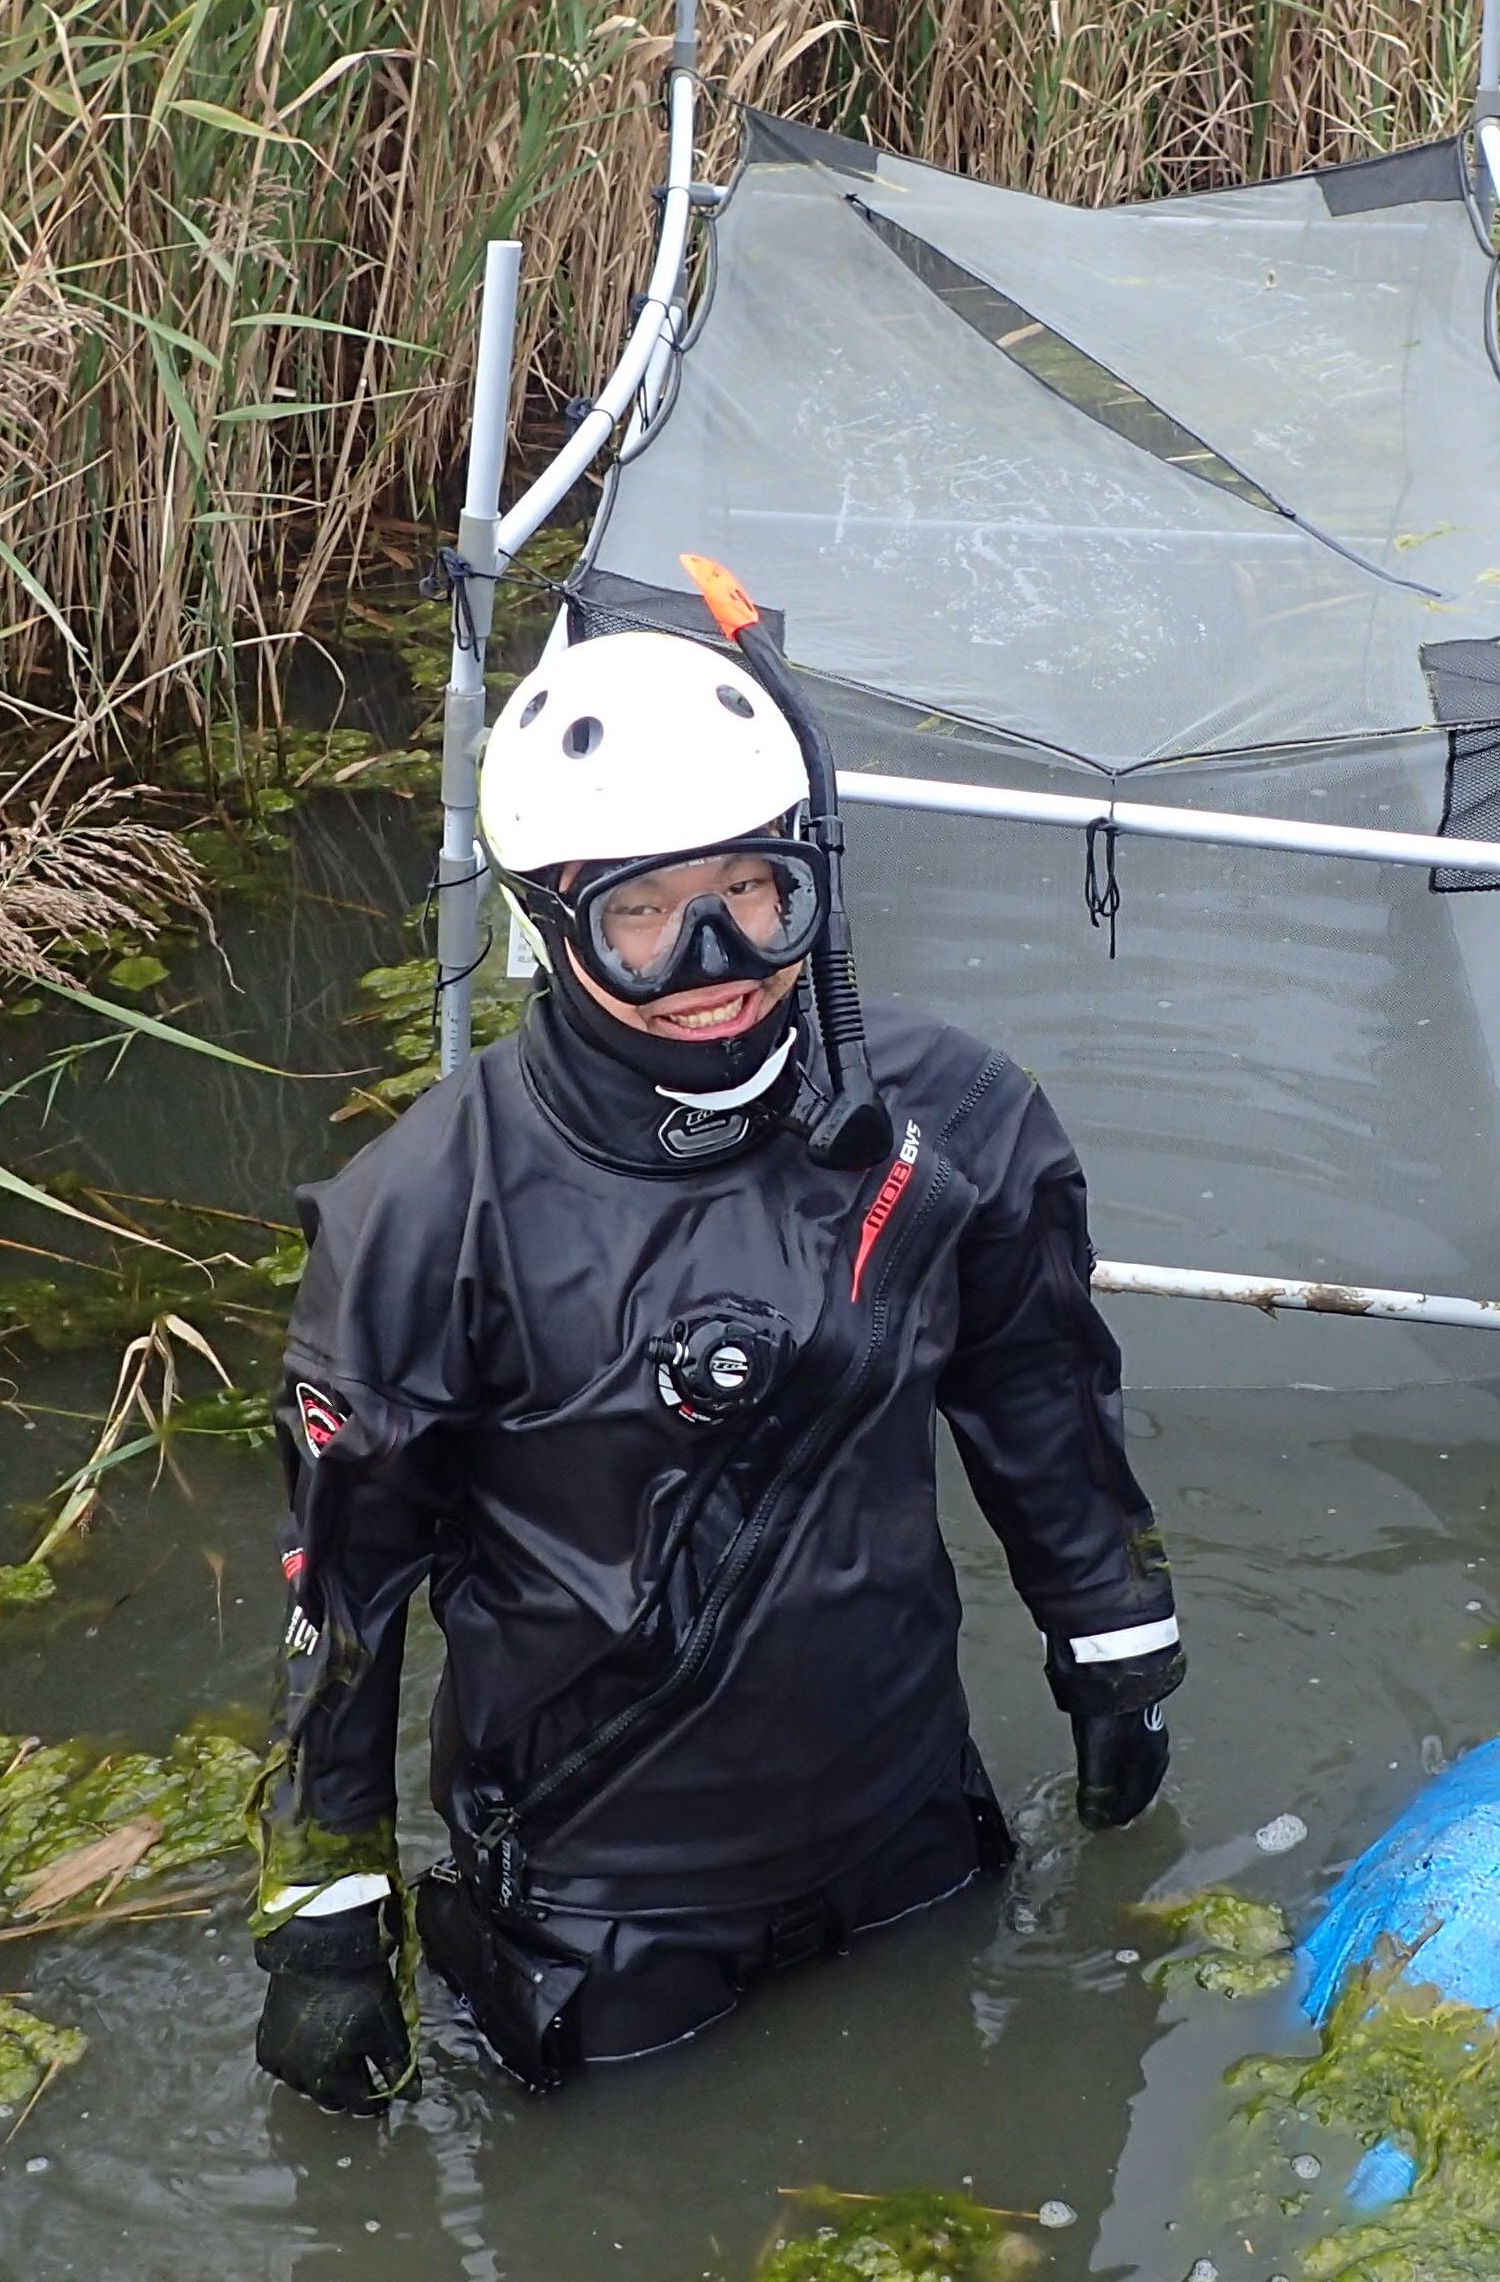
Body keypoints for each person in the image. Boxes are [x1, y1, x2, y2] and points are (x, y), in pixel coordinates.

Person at [249, 612, 1183, 2110]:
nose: (718, 963)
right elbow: (344, 1593)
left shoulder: (948, 1125)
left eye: (758, 893)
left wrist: (1114, 1642)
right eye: (648, 915)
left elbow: (1041, 1399)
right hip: (603, 1901)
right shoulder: (429, 1214)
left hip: (911, 1832)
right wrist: (324, 1916)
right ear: (551, 918)